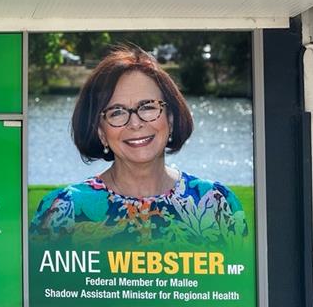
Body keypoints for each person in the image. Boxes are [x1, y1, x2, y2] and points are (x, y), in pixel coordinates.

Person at [31, 45, 248, 246]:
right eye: (117, 112)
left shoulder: (218, 205)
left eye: (148, 107)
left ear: (170, 119)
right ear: (101, 132)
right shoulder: (62, 211)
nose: (135, 123)